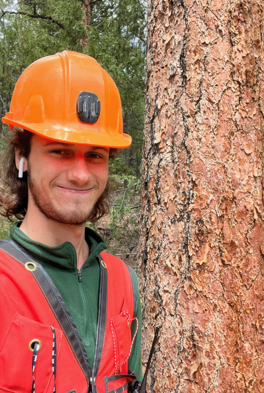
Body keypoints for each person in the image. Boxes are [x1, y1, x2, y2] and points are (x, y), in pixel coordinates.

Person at [0, 51, 142, 393]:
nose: (80, 174)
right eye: (60, 150)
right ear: (23, 156)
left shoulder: (123, 282)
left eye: (95, 155)